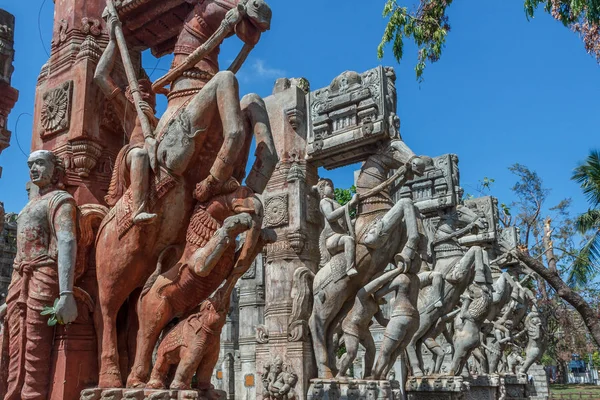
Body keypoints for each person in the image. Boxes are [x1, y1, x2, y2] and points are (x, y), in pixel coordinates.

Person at [1, 150, 78, 400]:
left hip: (43, 276)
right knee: (13, 345)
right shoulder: (28, 206)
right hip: (20, 278)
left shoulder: (61, 200)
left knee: (35, 344)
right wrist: (10, 295)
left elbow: (67, 241)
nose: (34, 169)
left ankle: (32, 396)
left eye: (40, 164)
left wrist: (66, 293)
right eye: (30, 165)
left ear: (55, 168)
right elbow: (19, 254)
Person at [94, 14, 158, 224]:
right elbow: (100, 76)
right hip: (133, 154)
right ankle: (138, 210)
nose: (146, 94)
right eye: (140, 91)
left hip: (156, 156)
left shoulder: (157, 120)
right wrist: (112, 41)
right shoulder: (130, 111)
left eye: (149, 91)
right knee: (140, 155)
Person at [337, 266, 402, 378]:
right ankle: (340, 374)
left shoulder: (375, 305)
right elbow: (378, 282)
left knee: (371, 350)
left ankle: (367, 375)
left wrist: (397, 322)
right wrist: (396, 271)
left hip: (364, 329)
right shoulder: (362, 295)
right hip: (351, 326)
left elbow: (382, 321)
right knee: (352, 353)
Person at [315, 178, 359, 276]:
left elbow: (346, 224)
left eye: (333, 186)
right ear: (322, 189)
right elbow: (330, 216)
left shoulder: (336, 204)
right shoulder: (324, 201)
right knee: (348, 240)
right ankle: (349, 268)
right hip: (332, 238)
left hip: (340, 235)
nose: (332, 188)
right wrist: (350, 204)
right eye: (329, 185)